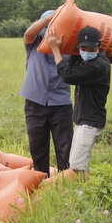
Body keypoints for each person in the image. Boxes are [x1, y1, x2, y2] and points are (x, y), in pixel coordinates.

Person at [45, 25, 111, 176]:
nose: (86, 53)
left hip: (90, 121)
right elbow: (73, 63)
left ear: (98, 47)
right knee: (77, 163)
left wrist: (56, 50)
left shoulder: (99, 65)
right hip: (83, 119)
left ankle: (87, 194)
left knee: (77, 166)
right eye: (83, 49)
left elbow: (68, 75)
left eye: (90, 50)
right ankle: (84, 192)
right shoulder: (88, 61)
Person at [19, 9, 73, 177]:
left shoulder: (68, 47)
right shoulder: (33, 43)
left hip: (61, 103)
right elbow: (28, 33)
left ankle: (66, 183)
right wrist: (50, 18)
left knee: (65, 148)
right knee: (37, 147)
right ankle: (41, 180)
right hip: (35, 102)